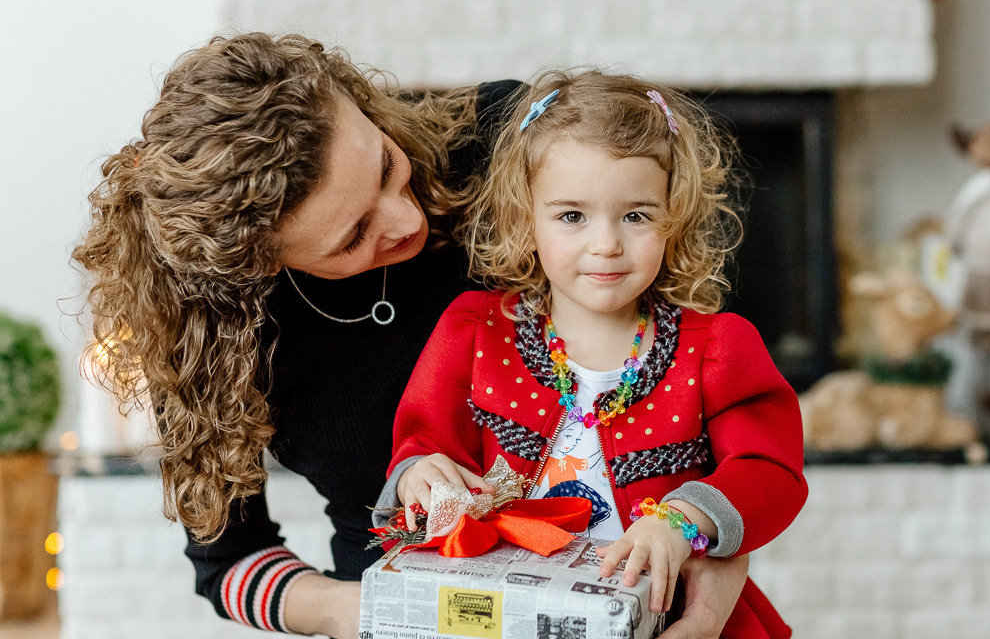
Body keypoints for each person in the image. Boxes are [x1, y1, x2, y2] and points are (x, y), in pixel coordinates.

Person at [72, 33, 755, 639]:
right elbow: (228, 563)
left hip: (624, 595)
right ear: (261, 262)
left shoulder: (506, 143)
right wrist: (369, 612)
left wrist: (716, 557)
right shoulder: (215, 334)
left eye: (387, 169)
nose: (405, 219)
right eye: (352, 238)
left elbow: (688, 367)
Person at [381, 70, 807, 638]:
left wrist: (683, 523)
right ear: (526, 217)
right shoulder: (475, 332)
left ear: (672, 216)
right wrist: (418, 475)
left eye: (636, 215)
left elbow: (769, 469)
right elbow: (424, 443)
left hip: (665, 615)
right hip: (513, 614)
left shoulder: (716, 349)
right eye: (572, 216)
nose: (605, 243)